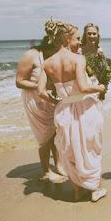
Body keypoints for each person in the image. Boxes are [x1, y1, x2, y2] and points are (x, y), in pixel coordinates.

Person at [37, 18, 108, 202]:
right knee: (90, 147)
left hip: (64, 110)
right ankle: (94, 189)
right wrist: (100, 88)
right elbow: (84, 87)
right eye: (77, 38)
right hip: (84, 109)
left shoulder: (47, 63)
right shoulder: (78, 58)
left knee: (70, 149)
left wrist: (56, 102)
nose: (79, 42)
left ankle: (78, 191)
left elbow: (41, 92)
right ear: (67, 38)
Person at [15, 33, 64, 182]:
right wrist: (40, 85)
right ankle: (46, 171)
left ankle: (58, 166)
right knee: (44, 136)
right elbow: (19, 81)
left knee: (55, 133)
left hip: (52, 98)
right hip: (35, 100)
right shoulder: (31, 55)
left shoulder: (57, 56)